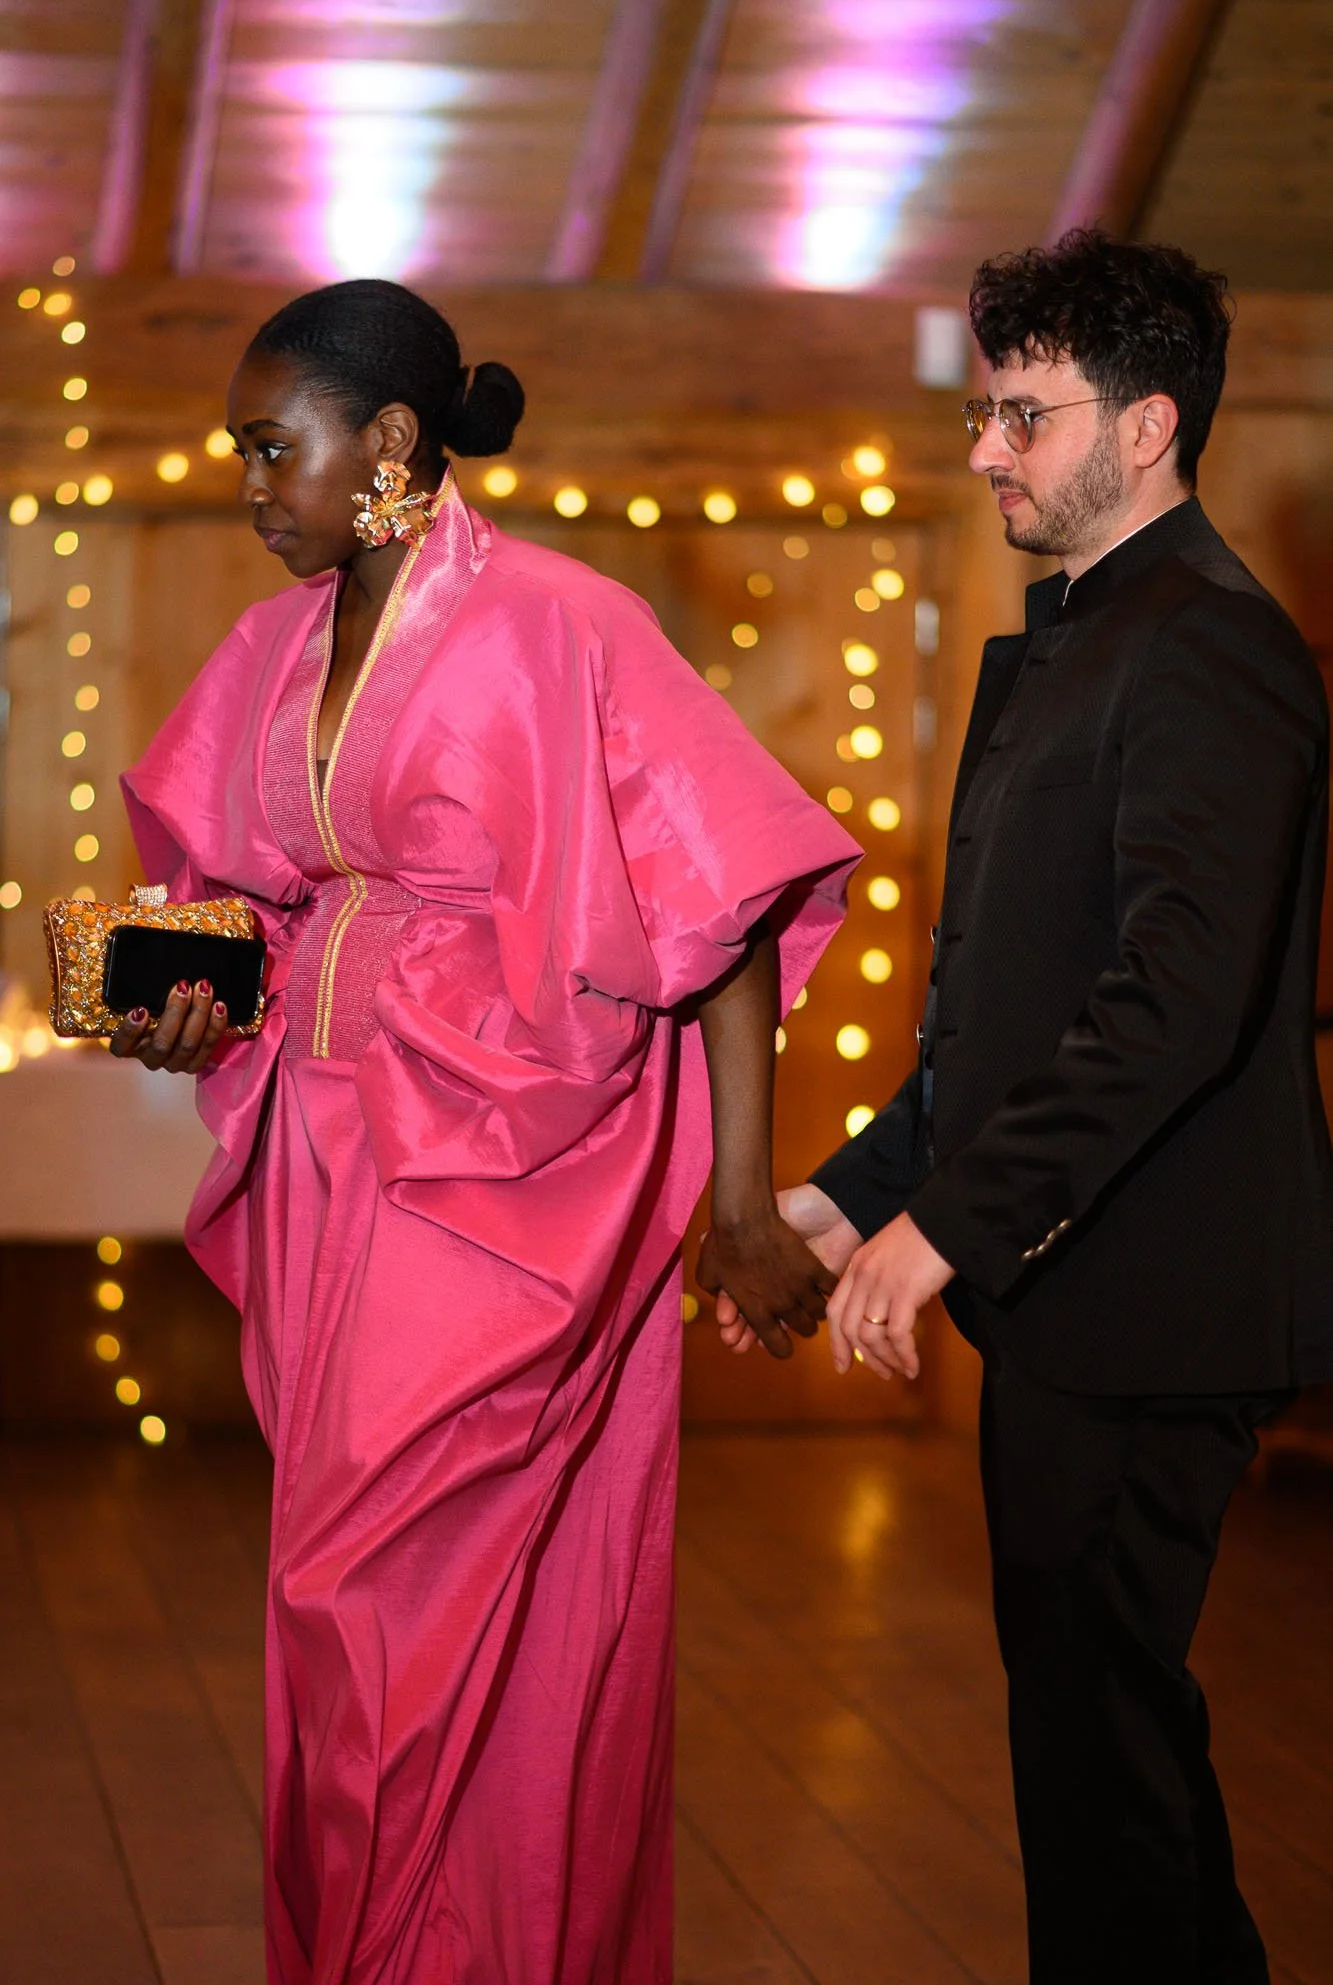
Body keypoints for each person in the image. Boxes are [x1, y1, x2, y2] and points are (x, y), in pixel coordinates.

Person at [111, 278, 858, 1985]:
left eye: (270, 447)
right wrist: (196, 995)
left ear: (388, 442)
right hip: (321, 1171)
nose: (248, 484)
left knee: (370, 1608)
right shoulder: (276, 647)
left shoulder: (560, 621)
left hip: (504, 1191)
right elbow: (250, 911)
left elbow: (727, 906)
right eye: (239, 451)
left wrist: (738, 1204)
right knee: (348, 1622)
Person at [718, 229, 1333, 1982]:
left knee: (1102, 1743)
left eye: (1023, 415)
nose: (985, 448)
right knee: (1090, 1731)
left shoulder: (1211, 646)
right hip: (1091, 1290)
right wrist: (840, 1201)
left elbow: (1166, 1010)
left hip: (1167, 1298)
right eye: (985, 413)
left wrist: (949, 1232)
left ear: (1146, 428)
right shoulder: (1085, 637)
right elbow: (998, 1015)